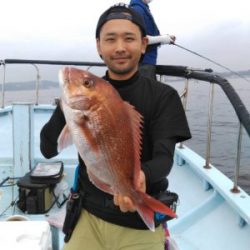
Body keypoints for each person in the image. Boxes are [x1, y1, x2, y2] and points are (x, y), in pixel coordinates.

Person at [40, 3, 191, 250]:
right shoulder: (81, 99)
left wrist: (139, 178)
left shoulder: (164, 96)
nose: (120, 47)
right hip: (87, 213)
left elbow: (165, 158)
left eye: (129, 38)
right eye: (110, 39)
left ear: (143, 44)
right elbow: (47, 149)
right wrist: (66, 106)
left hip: (138, 224)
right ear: (99, 46)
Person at [129, 0, 175, 79]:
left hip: (147, 63)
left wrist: (166, 39)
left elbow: (146, 36)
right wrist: (163, 39)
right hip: (143, 63)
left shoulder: (142, 9)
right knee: (145, 90)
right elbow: (138, 39)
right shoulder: (137, 10)